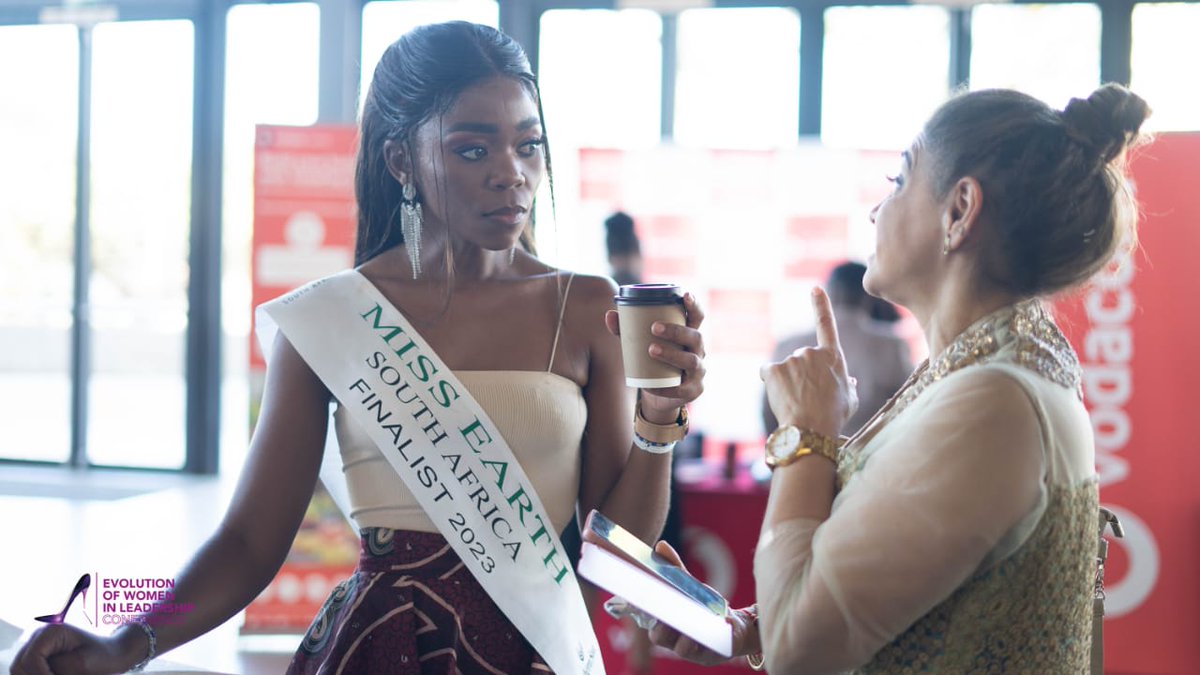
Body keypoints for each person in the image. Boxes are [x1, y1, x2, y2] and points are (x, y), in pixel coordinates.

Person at [12, 22, 707, 675]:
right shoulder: (335, 315)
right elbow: (249, 541)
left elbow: (616, 552)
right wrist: (126, 642)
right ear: (400, 159)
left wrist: (660, 422)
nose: (511, 172)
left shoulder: (587, 307)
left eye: (528, 145)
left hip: (534, 649)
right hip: (379, 643)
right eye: (473, 148)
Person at [645, 82, 1150, 673]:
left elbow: (801, 653)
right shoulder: (991, 372)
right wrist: (745, 629)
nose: (876, 208)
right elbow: (922, 593)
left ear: (959, 210)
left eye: (900, 179)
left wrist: (805, 432)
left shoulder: (994, 401)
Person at [761, 261, 912, 436]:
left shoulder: (787, 344)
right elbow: (908, 411)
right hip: (869, 459)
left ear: (830, 292)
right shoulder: (891, 345)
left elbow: (768, 416)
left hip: (800, 457)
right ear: (868, 296)